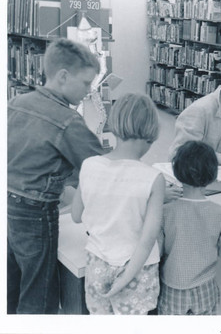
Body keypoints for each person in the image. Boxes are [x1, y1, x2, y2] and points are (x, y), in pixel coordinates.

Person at [7, 38, 105, 314]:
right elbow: (100, 168)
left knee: (10, 284)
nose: (89, 91)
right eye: (86, 83)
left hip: (5, 205)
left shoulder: (15, 102)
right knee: (39, 294)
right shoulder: (67, 120)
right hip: (35, 215)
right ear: (63, 76)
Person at [71, 93, 165, 315]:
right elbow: (147, 239)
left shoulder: (89, 165)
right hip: (136, 271)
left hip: (96, 264)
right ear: (150, 135)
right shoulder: (153, 178)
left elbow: (76, 215)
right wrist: (125, 279)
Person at [158, 140, 221, 315]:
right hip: (205, 287)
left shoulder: (165, 211)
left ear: (177, 172)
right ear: (213, 176)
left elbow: (158, 250)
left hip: (172, 287)